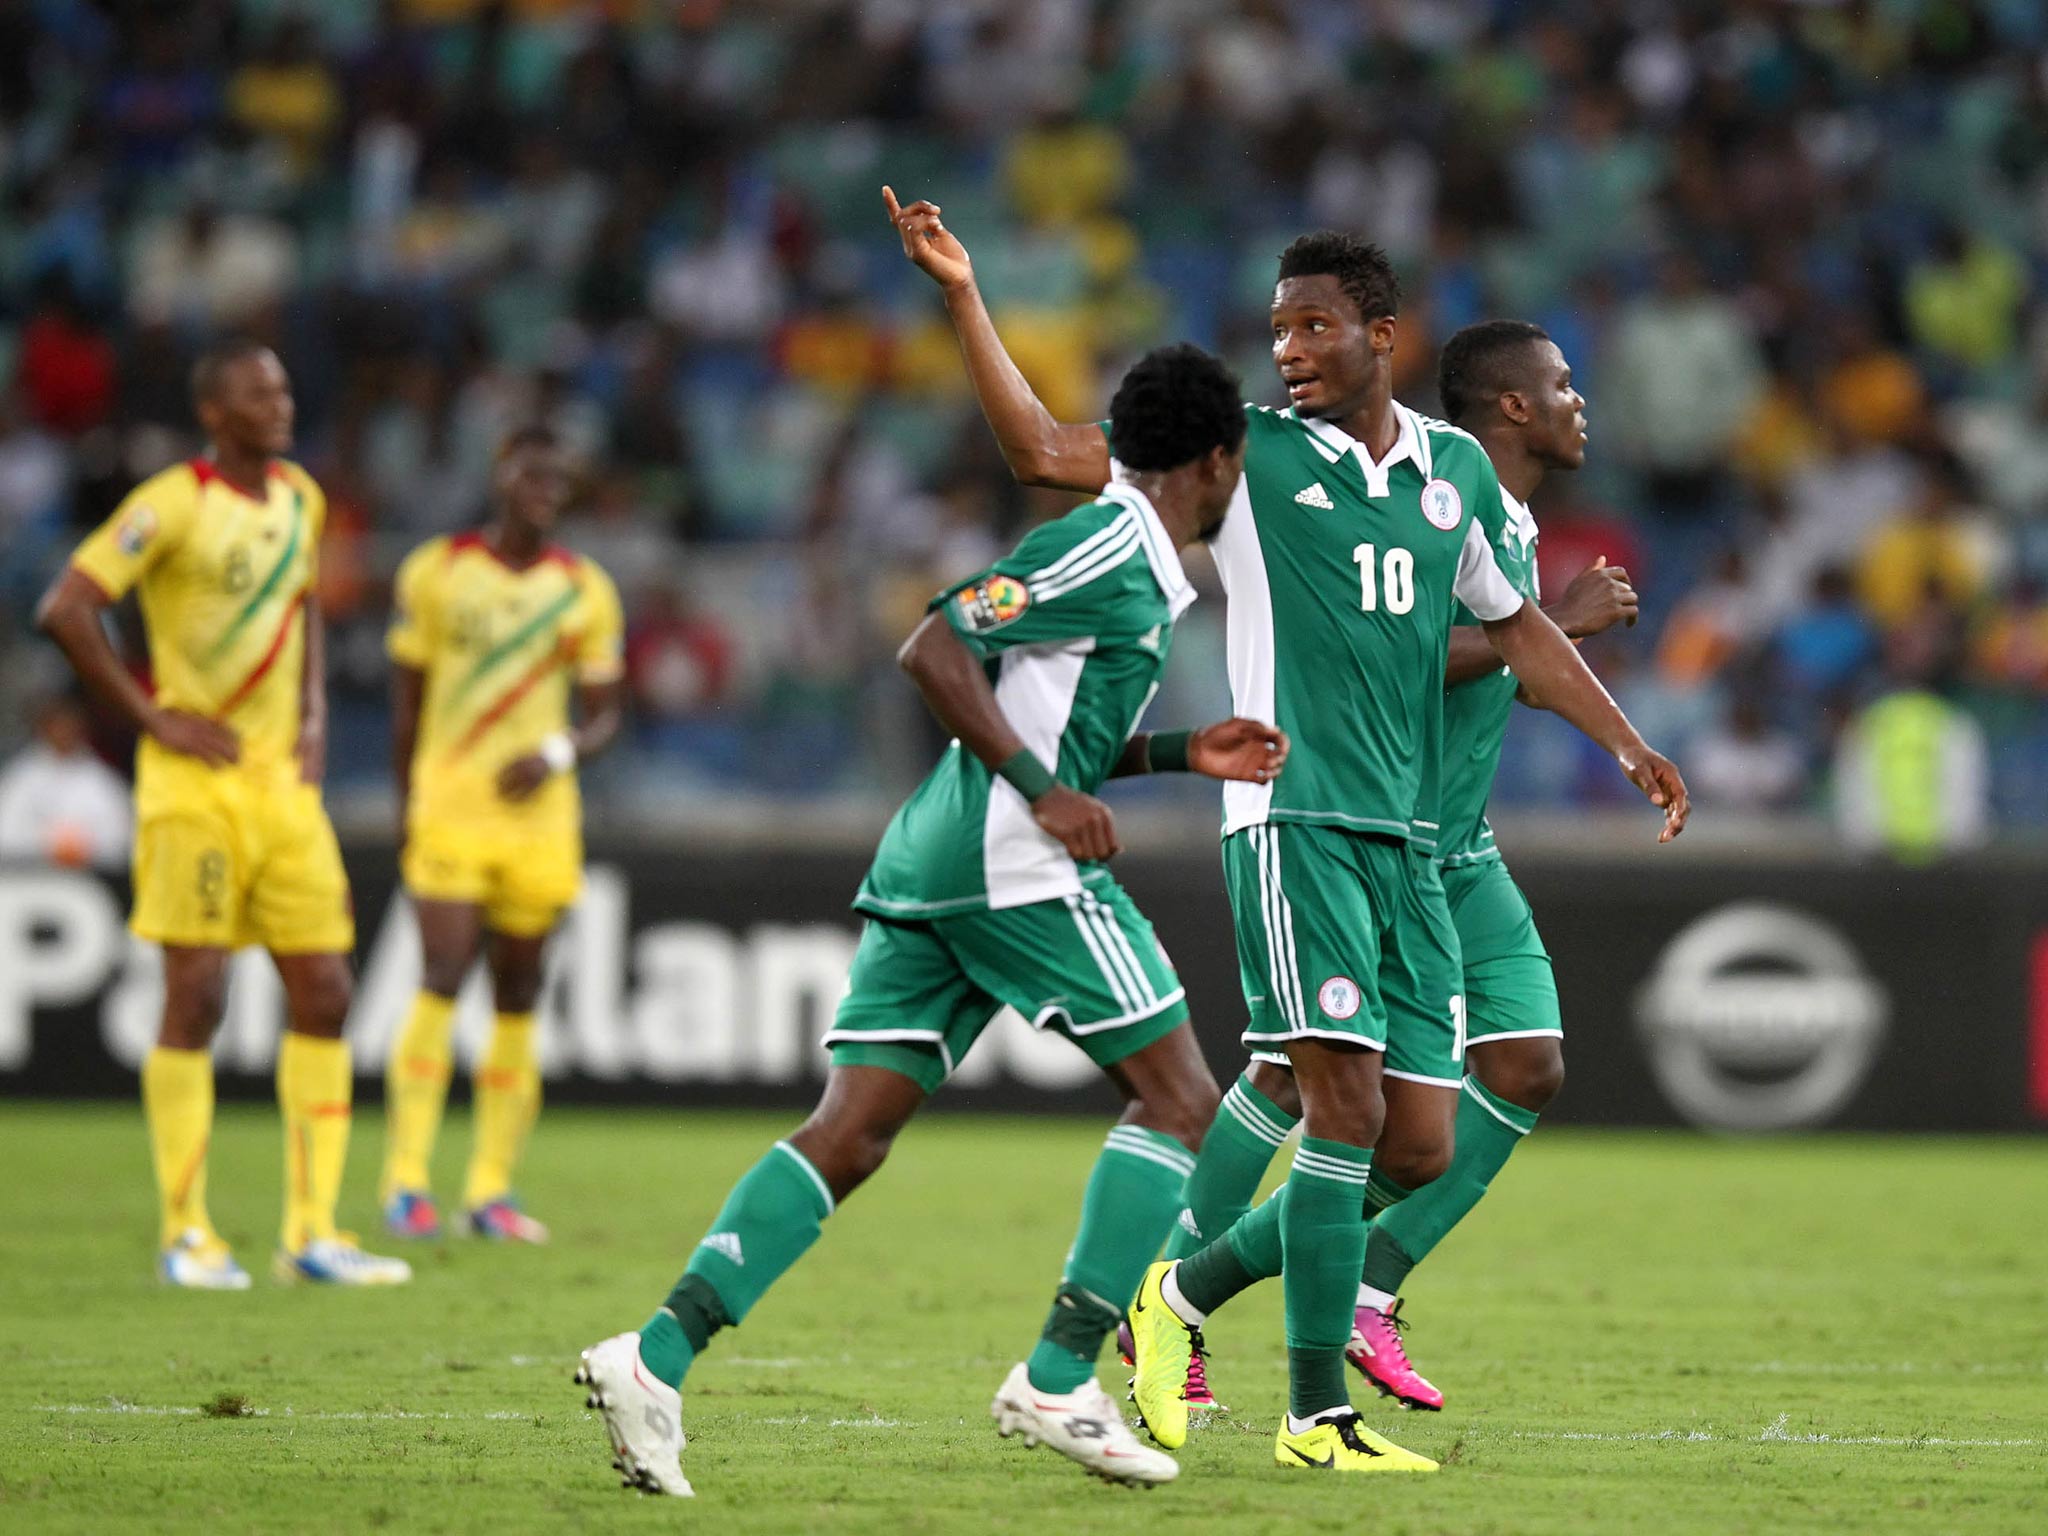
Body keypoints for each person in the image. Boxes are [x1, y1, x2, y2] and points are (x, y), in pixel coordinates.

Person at [886, 188, 1688, 1473]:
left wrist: (1628, 744)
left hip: (1406, 842)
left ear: (1382, 331)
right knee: (1342, 1108)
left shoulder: (1452, 471)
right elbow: (1042, 449)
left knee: (1417, 1142)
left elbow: (1524, 627)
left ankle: (1178, 1294)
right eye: (1277, 330)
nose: (1289, 350)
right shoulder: (1247, 457)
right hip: (1291, 821)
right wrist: (964, 296)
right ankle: (1316, 1416)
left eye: (1313, 326)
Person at [575, 343, 1286, 1495]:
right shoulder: (1104, 543)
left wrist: (1171, 752)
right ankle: (1058, 1376)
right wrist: (1047, 795)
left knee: (849, 1134)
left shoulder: (1135, 563)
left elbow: (1045, 714)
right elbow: (934, 645)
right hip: (1009, 862)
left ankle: (652, 1360)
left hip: (936, 858)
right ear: (1216, 459)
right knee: (1183, 1102)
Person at [1137, 321, 1643, 1420]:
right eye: (1561, 383)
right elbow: (1399, 652)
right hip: (1363, 828)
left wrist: (1617, 728)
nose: (1576, 400)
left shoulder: (1485, 507)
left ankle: (1361, 1280)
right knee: (1296, 1079)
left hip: (1456, 845)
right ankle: (1165, 1298)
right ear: (1511, 407)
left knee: (1522, 1070)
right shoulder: (1421, 500)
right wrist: (1557, 624)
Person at [35, 340, 409, 1289]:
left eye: (285, 388)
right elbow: (69, 607)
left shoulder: (302, 499)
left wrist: (316, 717)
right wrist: (151, 712)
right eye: (258, 393)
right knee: (196, 997)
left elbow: (306, 611)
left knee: (325, 990)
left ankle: (312, 1234)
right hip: (191, 791)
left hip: (283, 788)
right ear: (215, 411)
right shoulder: (171, 501)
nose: (280, 404)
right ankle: (185, 1231)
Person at [378, 426, 625, 1244]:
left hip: (539, 819)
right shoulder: (436, 571)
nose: (546, 490)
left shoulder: (585, 590)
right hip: (449, 803)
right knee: (442, 970)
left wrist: (558, 751)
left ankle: (489, 1189)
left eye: (559, 480)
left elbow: (605, 715)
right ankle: (406, 1181)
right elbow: (406, 700)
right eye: (533, 475)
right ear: (501, 476)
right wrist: (404, 797)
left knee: (518, 992)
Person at [0, 691, 134, 870]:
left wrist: (83, 845)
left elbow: (122, 841)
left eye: (70, 725)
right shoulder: (20, 779)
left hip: (91, 880)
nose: (64, 732)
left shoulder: (103, 780)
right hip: (29, 878)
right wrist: (51, 844)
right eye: (57, 725)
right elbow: (6, 835)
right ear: (43, 727)